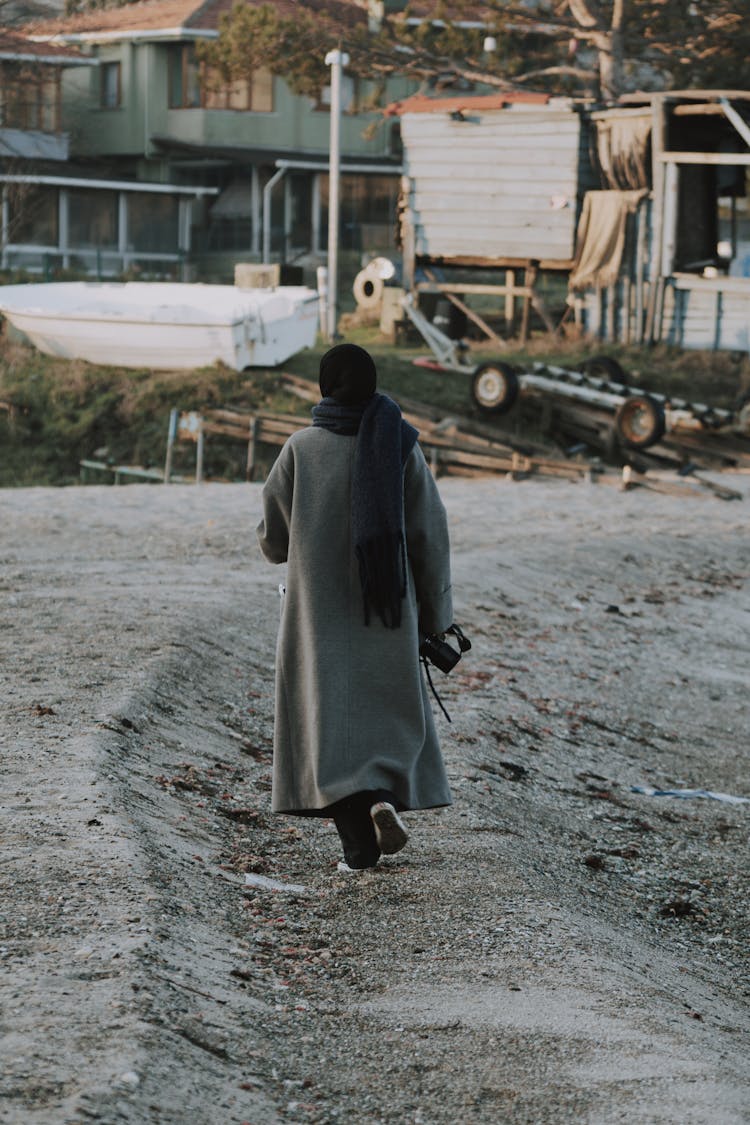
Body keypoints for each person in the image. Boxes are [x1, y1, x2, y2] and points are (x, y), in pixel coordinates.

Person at [256, 342, 454, 872]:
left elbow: (273, 542)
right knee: (381, 723)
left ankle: (359, 848)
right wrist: (435, 617)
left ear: (325, 387)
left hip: (317, 618)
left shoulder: (300, 449)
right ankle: (382, 801)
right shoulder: (401, 447)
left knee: (329, 732)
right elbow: (430, 536)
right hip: (386, 615)